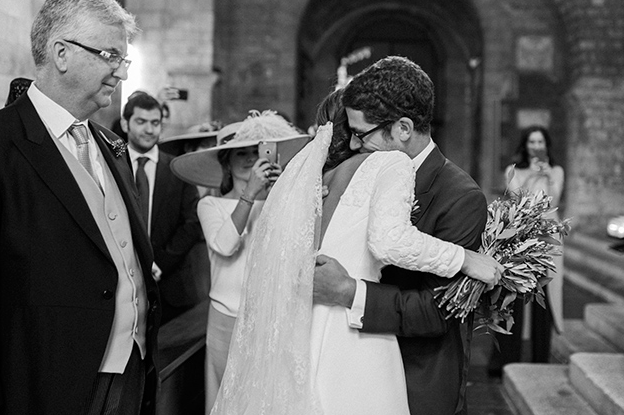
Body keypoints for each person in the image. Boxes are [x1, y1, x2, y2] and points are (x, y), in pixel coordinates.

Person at [208, 85, 503, 414]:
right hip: (354, 341)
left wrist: (349, 291)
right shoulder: (378, 167)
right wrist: (463, 259)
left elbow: (436, 311)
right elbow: (390, 240)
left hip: (351, 343)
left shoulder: (310, 183)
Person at [0, 0, 160, 415]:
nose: (121, 73)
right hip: (46, 375)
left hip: (132, 366)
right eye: (111, 56)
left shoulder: (112, 145)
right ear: (61, 53)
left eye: (122, 59)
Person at [313, 56, 492, 415]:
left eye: (361, 134)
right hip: (347, 366)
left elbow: (437, 312)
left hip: (416, 380)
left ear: (404, 129)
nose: (351, 145)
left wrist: (349, 292)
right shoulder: (358, 174)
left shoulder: (459, 197)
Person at [169, 110, 311, 415]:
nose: (249, 160)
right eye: (240, 154)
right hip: (226, 317)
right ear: (226, 163)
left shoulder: (280, 204)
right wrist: (249, 195)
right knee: (225, 397)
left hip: (270, 314)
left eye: (255, 152)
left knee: (263, 399)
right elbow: (225, 245)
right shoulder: (210, 204)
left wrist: (279, 192)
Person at [121, 91, 204, 324]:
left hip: (169, 286)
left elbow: (191, 224)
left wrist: (158, 264)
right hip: (120, 284)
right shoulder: (110, 165)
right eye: (141, 122)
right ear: (125, 124)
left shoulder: (178, 169)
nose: (149, 130)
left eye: (155, 123)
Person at [489, 125, 565, 373]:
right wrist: (533, 175)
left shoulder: (556, 171)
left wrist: (547, 176)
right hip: (521, 237)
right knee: (515, 295)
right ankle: (506, 358)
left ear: (546, 145)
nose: (536, 146)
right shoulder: (514, 171)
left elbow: (553, 201)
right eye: (531, 142)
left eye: (540, 142)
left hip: (548, 238)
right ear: (525, 145)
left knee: (545, 295)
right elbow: (520, 200)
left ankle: (540, 357)